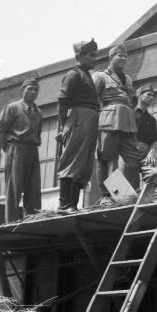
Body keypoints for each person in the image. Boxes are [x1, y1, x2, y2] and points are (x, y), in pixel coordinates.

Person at [92, 44, 142, 206]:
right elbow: (91, 100)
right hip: (108, 121)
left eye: (125, 56)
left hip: (127, 122)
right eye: (120, 55)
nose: (124, 58)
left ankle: (131, 194)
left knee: (133, 159)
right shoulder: (100, 76)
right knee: (106, 158)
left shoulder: (127, 79)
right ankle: (107, 196)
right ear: (111, 57)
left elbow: (132, 98)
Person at [56, 39, 99, 215]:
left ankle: (73, 204)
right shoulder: (73, 74)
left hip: (89, 118)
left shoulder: (86, 75)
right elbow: (62, 100)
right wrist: (63, 125)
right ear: (79, 56)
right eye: (91, 55)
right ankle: (65, 205)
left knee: (84, 162)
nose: (95, 59)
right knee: (73, 159)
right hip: (78, 117)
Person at [0, 78, 43, 221]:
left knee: (33, 187)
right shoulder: (13, 107)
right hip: (16, 149)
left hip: (32, 150)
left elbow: (38, 134)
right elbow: (0, 132)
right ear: (22, 90)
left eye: (36, 90)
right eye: (30, 89)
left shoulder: (39, 113)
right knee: (14, 187)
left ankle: (32, 219)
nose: (33, 92)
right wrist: (10, 150)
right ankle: (12, 221)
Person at [132, 83, 157, 196]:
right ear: (140, 95)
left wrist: (151, 152)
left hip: (146, 154)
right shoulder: (131, 114)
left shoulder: (152, 119)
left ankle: (155, 193)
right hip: (130, 152)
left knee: (155, 178)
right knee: (130, 189)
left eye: (153, 95)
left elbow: (154, 140)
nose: (151, 97)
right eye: (148, 94)